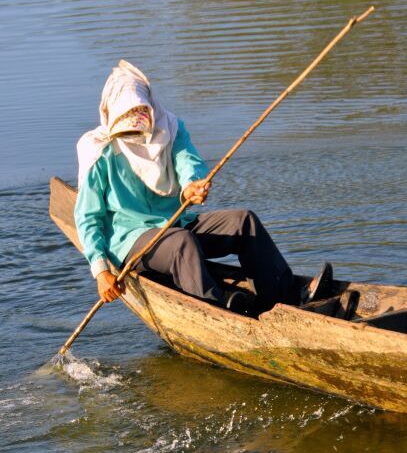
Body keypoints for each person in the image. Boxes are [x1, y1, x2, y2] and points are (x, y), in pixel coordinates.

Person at [74, 61, 332, 314]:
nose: (135, 129)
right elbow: (87, 217)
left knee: (245, 222)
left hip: (177, 222)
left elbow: (188, 162)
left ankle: (282, 298)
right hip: (132, 241)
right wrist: (101, 271)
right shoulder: (98, 152)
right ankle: (217, 312)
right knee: (181, 244)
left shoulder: (170, 129)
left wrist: (190, 187)